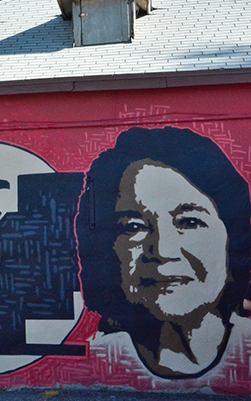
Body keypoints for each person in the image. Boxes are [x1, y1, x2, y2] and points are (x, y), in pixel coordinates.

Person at [77, 126, 250, 380]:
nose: (162, 251)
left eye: (189, 222)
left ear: (231, 235)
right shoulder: (102, 353)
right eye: (134, 226)